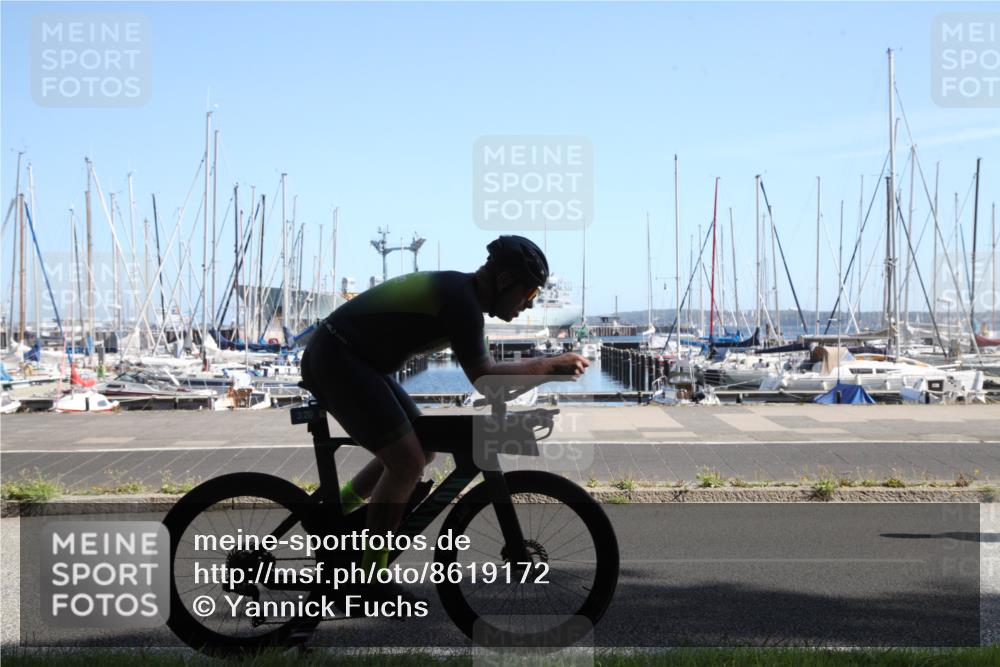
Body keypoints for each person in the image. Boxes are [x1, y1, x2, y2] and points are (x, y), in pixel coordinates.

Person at [299, 235, 588, 599]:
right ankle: (367, 578)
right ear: (503, 281)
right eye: (528, 295)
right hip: (338, 358)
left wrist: (545, 370)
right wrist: (550, 366)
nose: (529, 306)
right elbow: (485, 379)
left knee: (424, 450)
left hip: (351, 359)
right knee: (406, 463)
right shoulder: (462, 303)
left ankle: (336, 513)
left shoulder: (463, 296)